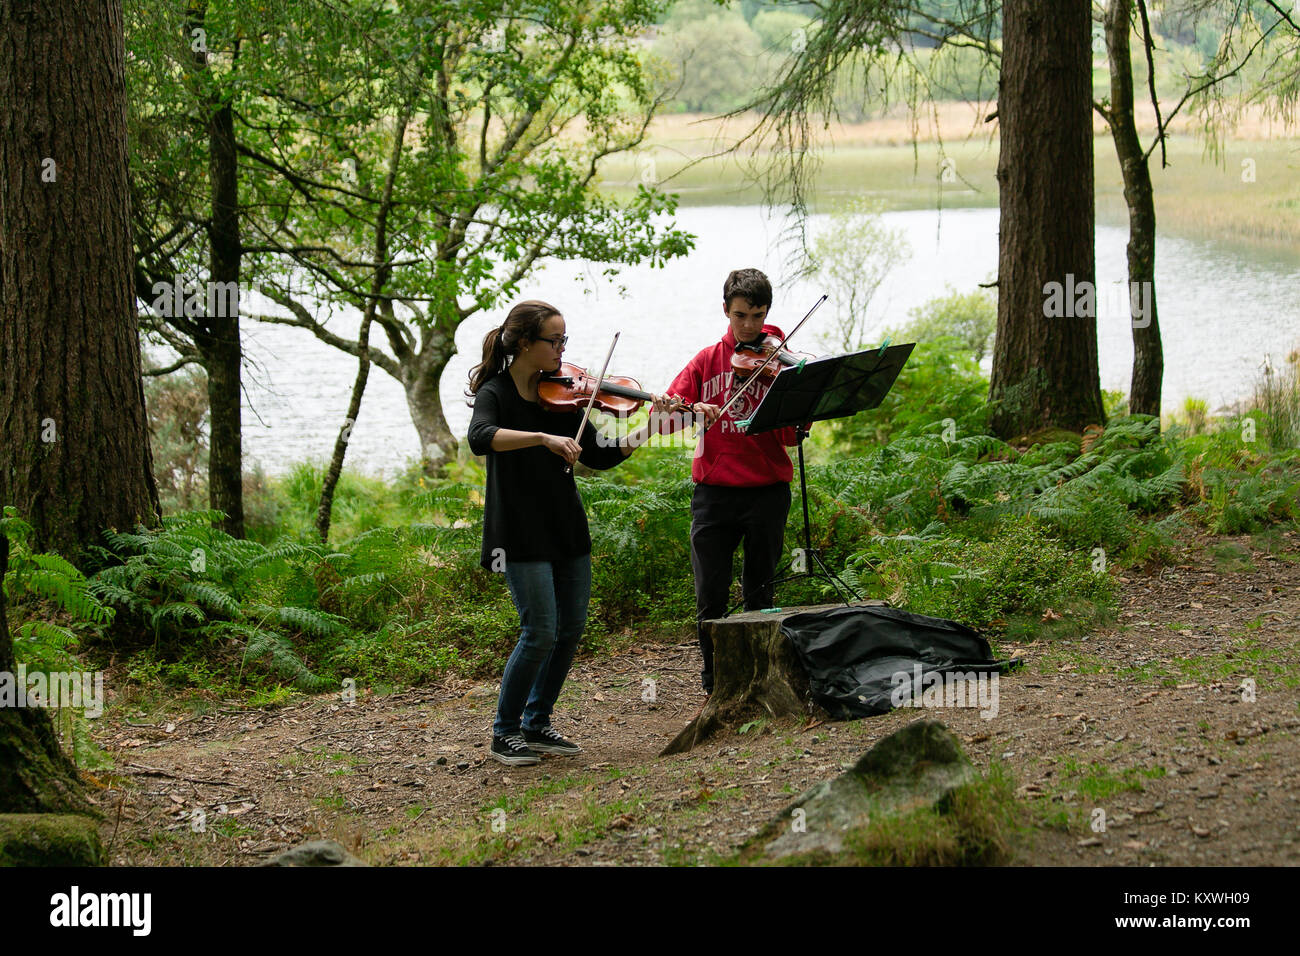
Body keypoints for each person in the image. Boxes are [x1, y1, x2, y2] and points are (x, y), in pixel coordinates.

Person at [467, 299, 673, 767]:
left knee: (569, 631)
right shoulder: (495, 393)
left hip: (564, 525)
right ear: (524, 343)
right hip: (518, 531)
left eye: (565, 341)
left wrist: (650, 428)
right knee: (539, 630)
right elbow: (480, 437)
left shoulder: (560, 396)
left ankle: (537, 724)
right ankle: (505, 732)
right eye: (554, 341)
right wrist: (541, 439)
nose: (562, 349)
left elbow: (598, 455)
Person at [663, 268, 800, 695]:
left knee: (761, 594)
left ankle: (761, 681)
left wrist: (797, 405)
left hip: (767, 492)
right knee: (711, 598)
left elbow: (791, 438)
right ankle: (715, 684)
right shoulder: (706, 361)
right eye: (740, 315)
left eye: (758, 316)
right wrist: (683, 408)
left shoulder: (779, 362)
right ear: (726, 310)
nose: (750, 327)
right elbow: (664, 422)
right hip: (714, 495)